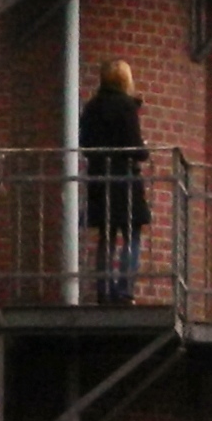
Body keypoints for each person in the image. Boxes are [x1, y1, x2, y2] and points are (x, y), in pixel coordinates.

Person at [78, 62, 150, 291]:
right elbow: (135, 148)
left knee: (106, 236)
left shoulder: (91, 108)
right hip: (124, 179)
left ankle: (103, 289)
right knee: (132, 235)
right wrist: (144, 149)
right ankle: (124, 289)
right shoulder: (126, 107)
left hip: (99, 179)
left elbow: (85, 143)